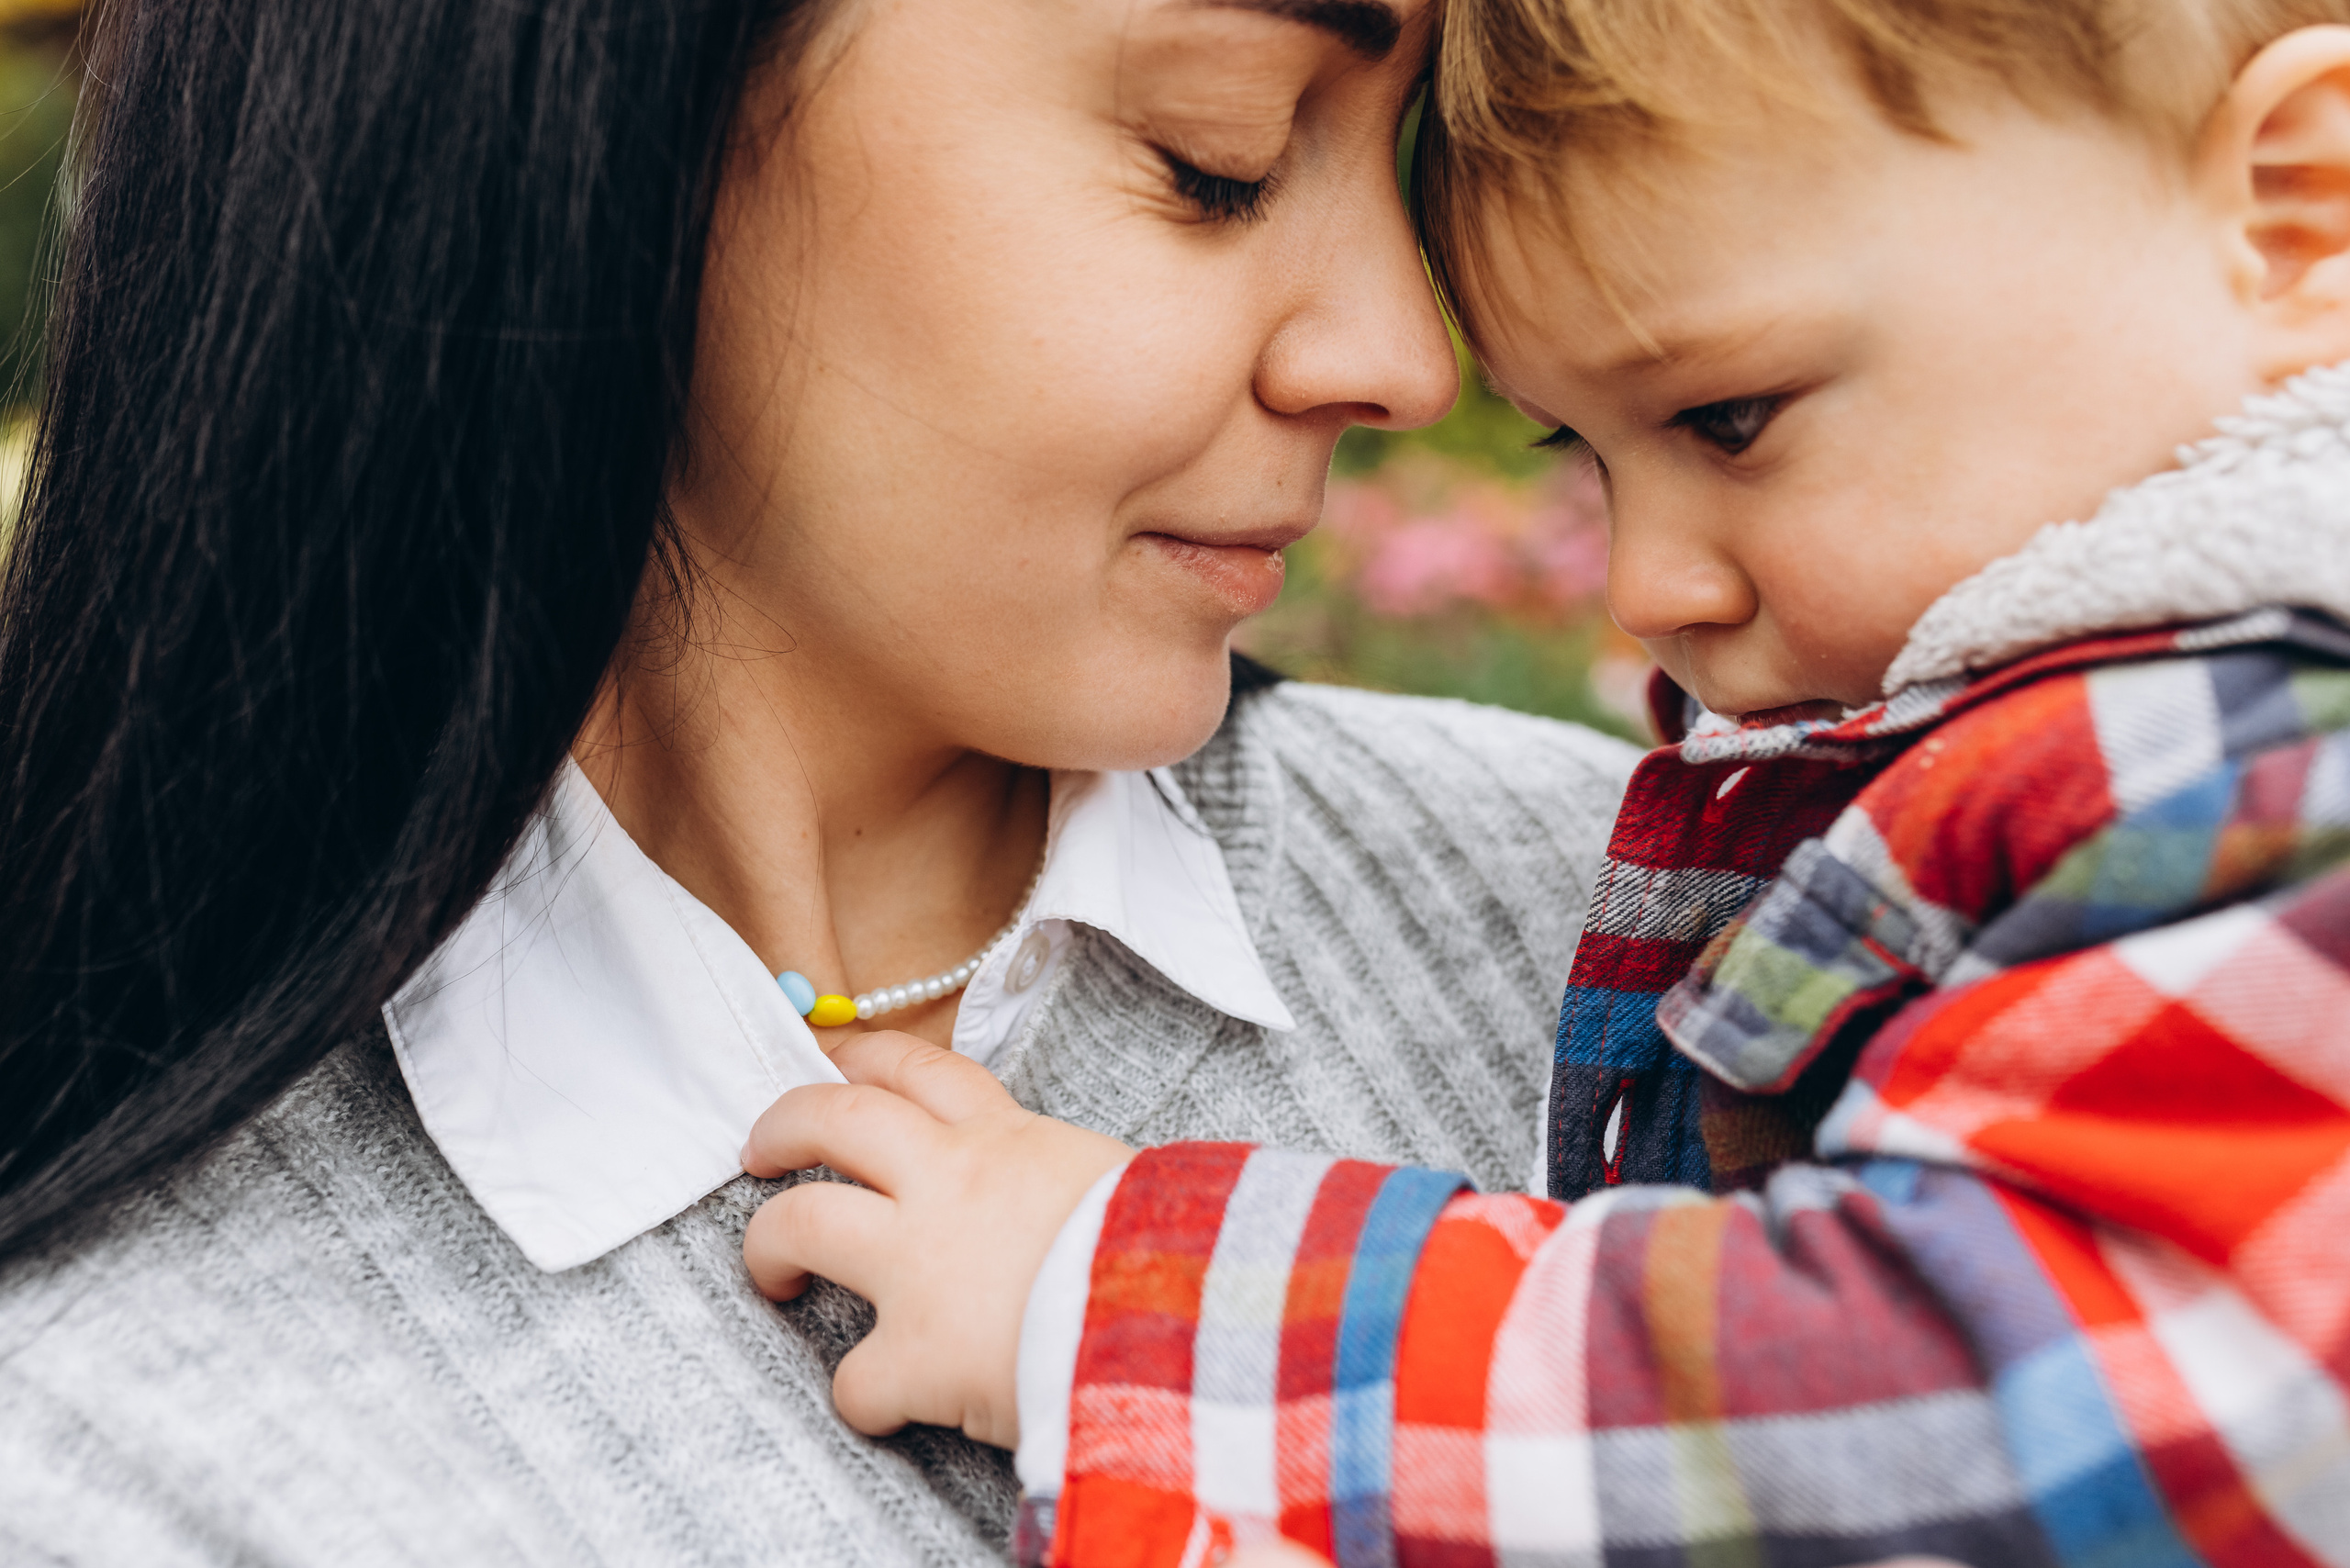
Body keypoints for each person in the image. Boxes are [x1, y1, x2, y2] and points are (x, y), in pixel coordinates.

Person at [0, 0, 1642, 1559]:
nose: (1405, 358)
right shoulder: (109, 1456)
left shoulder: (1661, 948)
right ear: (634, 117)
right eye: (1219, 155)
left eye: (1412, 156)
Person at [735, 1, 2350, 1563]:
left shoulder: (2255, 787)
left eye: (1729, 417)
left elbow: (2018, 1412)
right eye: (1583, 455)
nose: (1643, 586)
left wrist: (1128, 1298)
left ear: (2300, 212)